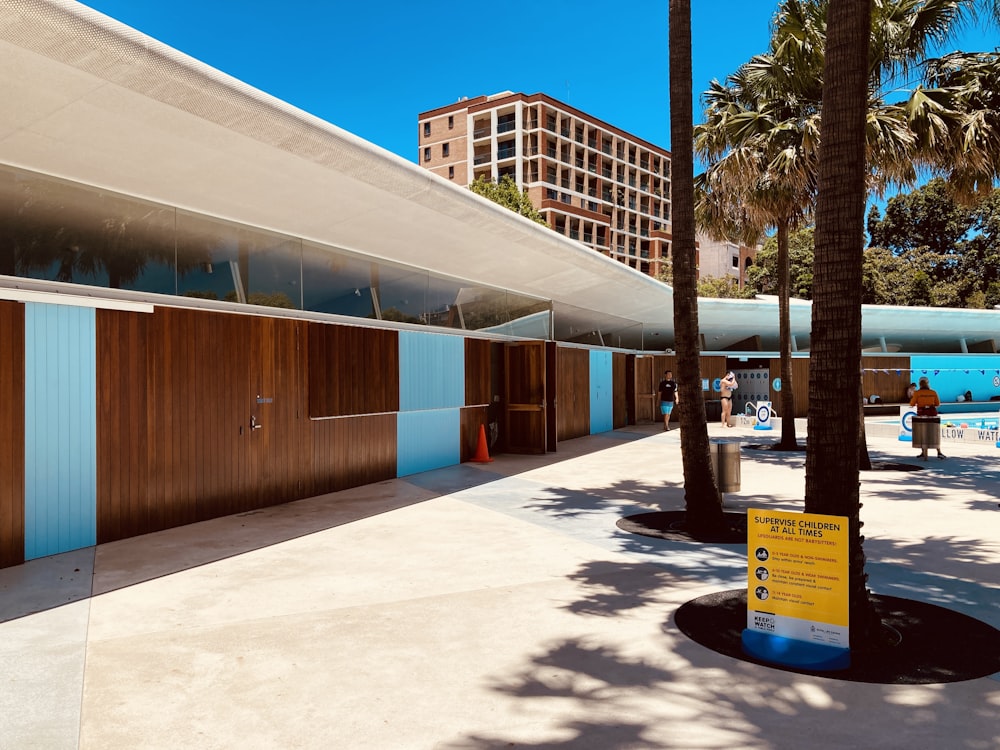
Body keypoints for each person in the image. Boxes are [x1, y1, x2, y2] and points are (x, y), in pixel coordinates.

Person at [910, 376, 945, 460]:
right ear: (928, 383)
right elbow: (937, 404)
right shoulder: (933, 392)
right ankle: (939, 452)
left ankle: (923, 452)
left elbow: (912, 404)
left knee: (922, 433)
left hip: (922, 414)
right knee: (934, 432)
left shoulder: (917, 393)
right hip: (932, 414)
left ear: (920, 384)